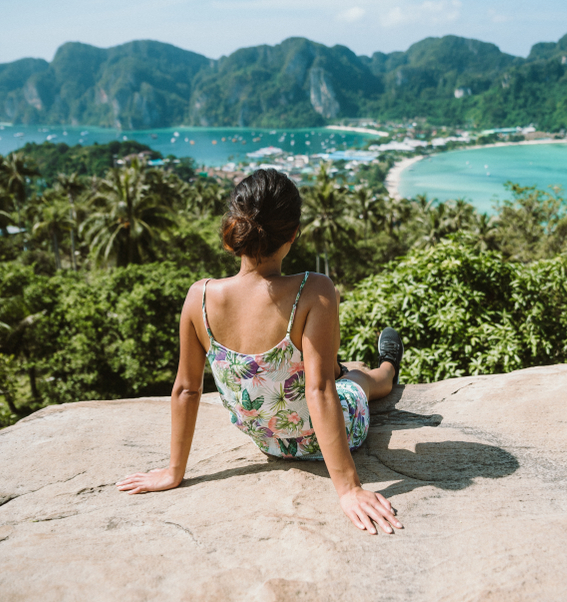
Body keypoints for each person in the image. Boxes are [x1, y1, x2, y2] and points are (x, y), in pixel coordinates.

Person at [117, 169, 405, 535]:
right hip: (327, 434)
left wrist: (174, 471)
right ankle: (388, 366)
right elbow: (317, 391)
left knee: (331, 370)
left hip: (267, 439)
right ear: (293, 235)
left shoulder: (199, 297)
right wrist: (348, 488)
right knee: (357, 380)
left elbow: (186, 389)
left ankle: (343, 366)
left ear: (235, 230)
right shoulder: (314, 290)